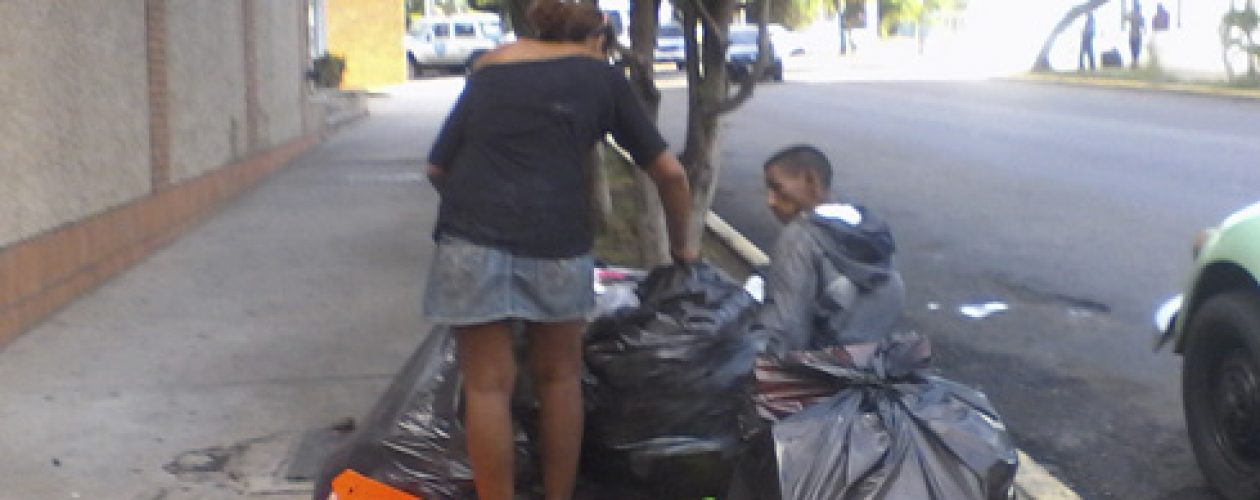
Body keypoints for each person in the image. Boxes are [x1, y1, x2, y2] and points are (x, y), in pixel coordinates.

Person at [423, 2, 697, 499]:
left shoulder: (489, 68)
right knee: (559, 378)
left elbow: (437, 169)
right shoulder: (601, 76)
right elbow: (670, 175)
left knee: (487, 386)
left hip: (469, 235)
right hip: (557, 240)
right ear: (600, 36)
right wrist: (683, 248)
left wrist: (479, 218)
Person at [756, 145, 905, 353]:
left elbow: (784, 331)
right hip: (867, 365)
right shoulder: (868, 230)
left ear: (810, 180)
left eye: (777, 187)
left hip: (817, 372)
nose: (770, 201)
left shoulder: (800, 237)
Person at [1128, 2, 1146, 69]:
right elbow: (1143, 26)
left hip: (1132, 34)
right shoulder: (1140, 16)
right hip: (1137, 35)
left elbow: (1125, 17)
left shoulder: (1132, 15)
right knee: (1136, 51)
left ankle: (1134, 64)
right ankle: (1135, 64)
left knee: (1133, 51)